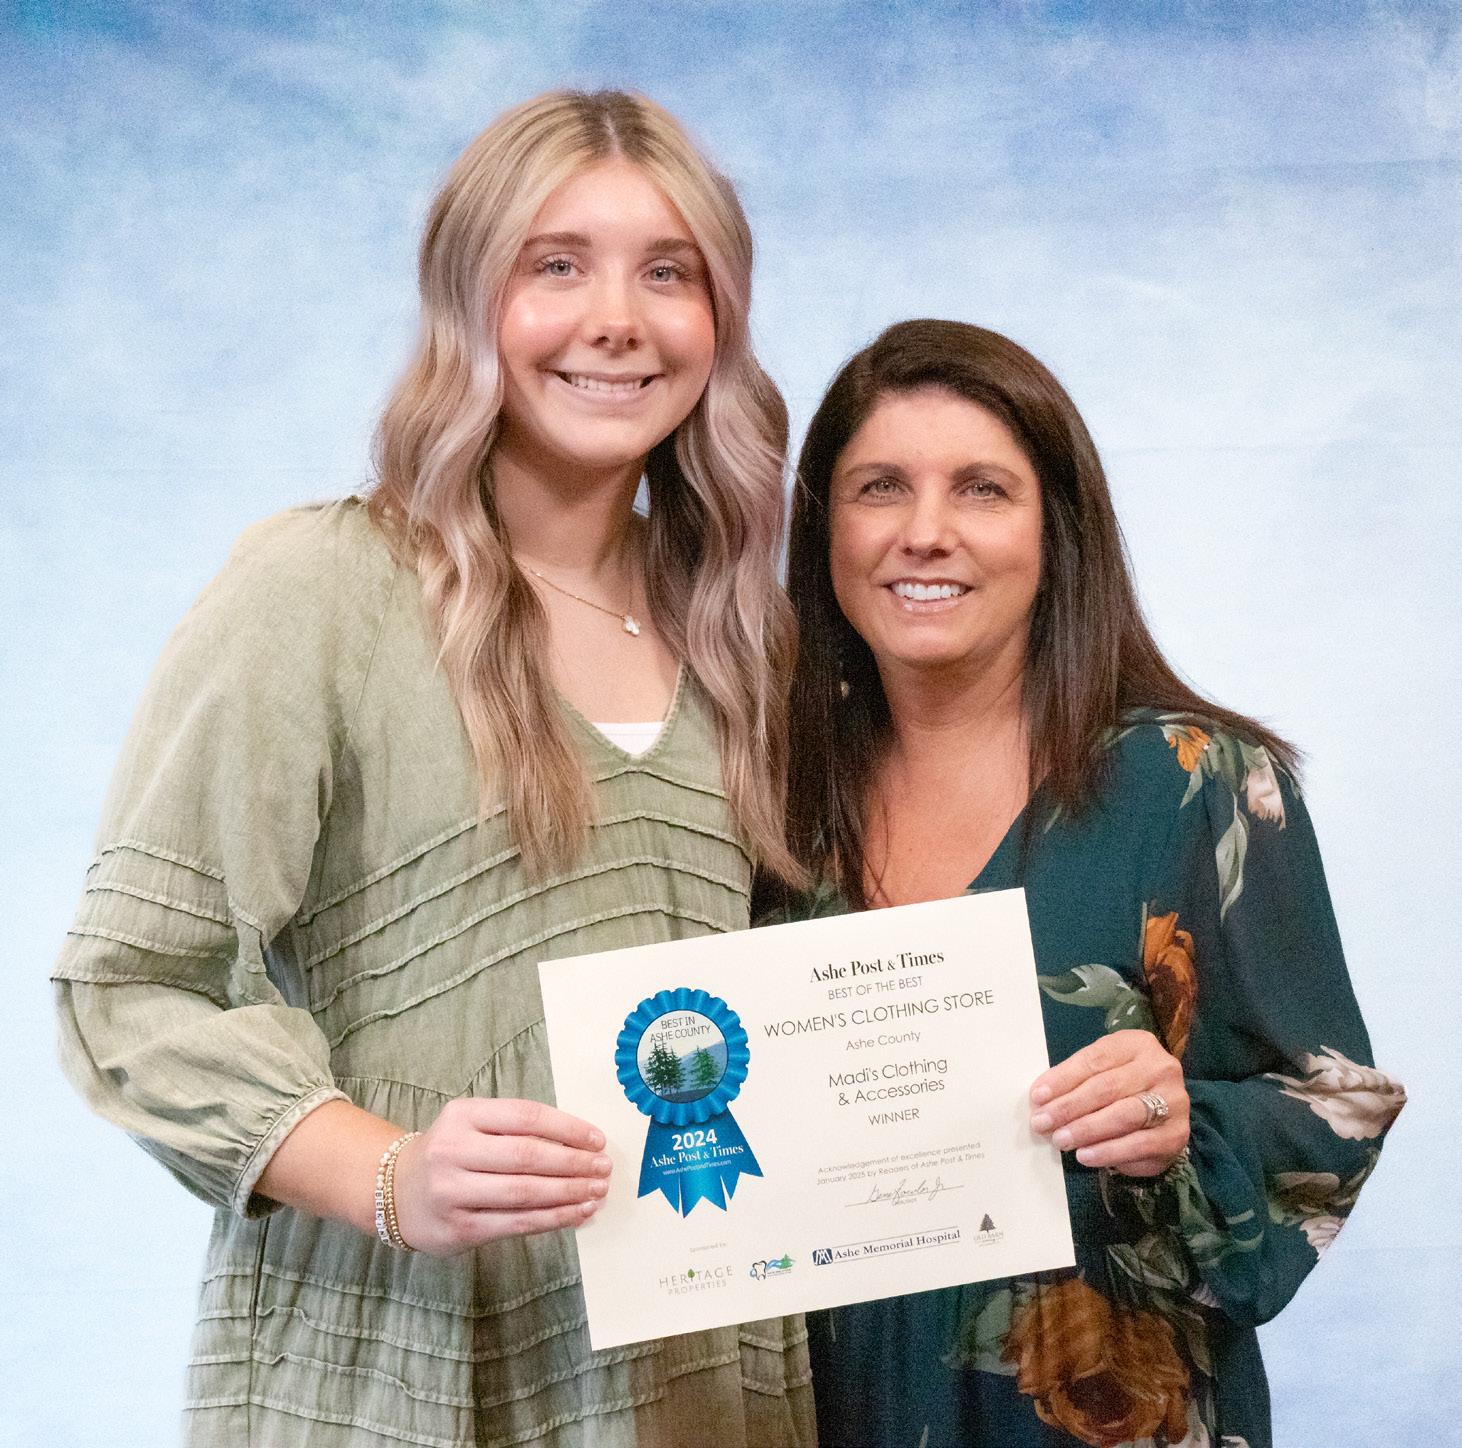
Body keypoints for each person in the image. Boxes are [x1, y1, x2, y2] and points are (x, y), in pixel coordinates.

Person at [52, 90, 814, 1447]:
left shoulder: (742, 634)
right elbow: (131, 989)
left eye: (668, 272)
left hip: (690, 1378)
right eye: (556, 264)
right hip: (394, 1361)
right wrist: (392, 1174)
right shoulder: (319, 587)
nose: (617, 321)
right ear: (466, 300)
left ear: (722, 317)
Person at [765, 319, 1405, 1448]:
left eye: (981, 490)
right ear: (824, 529)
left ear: (1056, 532)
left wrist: (1178, 1126)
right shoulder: (762, 802)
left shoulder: (1197, 785)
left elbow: (1334, 1106)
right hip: (817, 1405)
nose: (925, 531)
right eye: (879, 487)